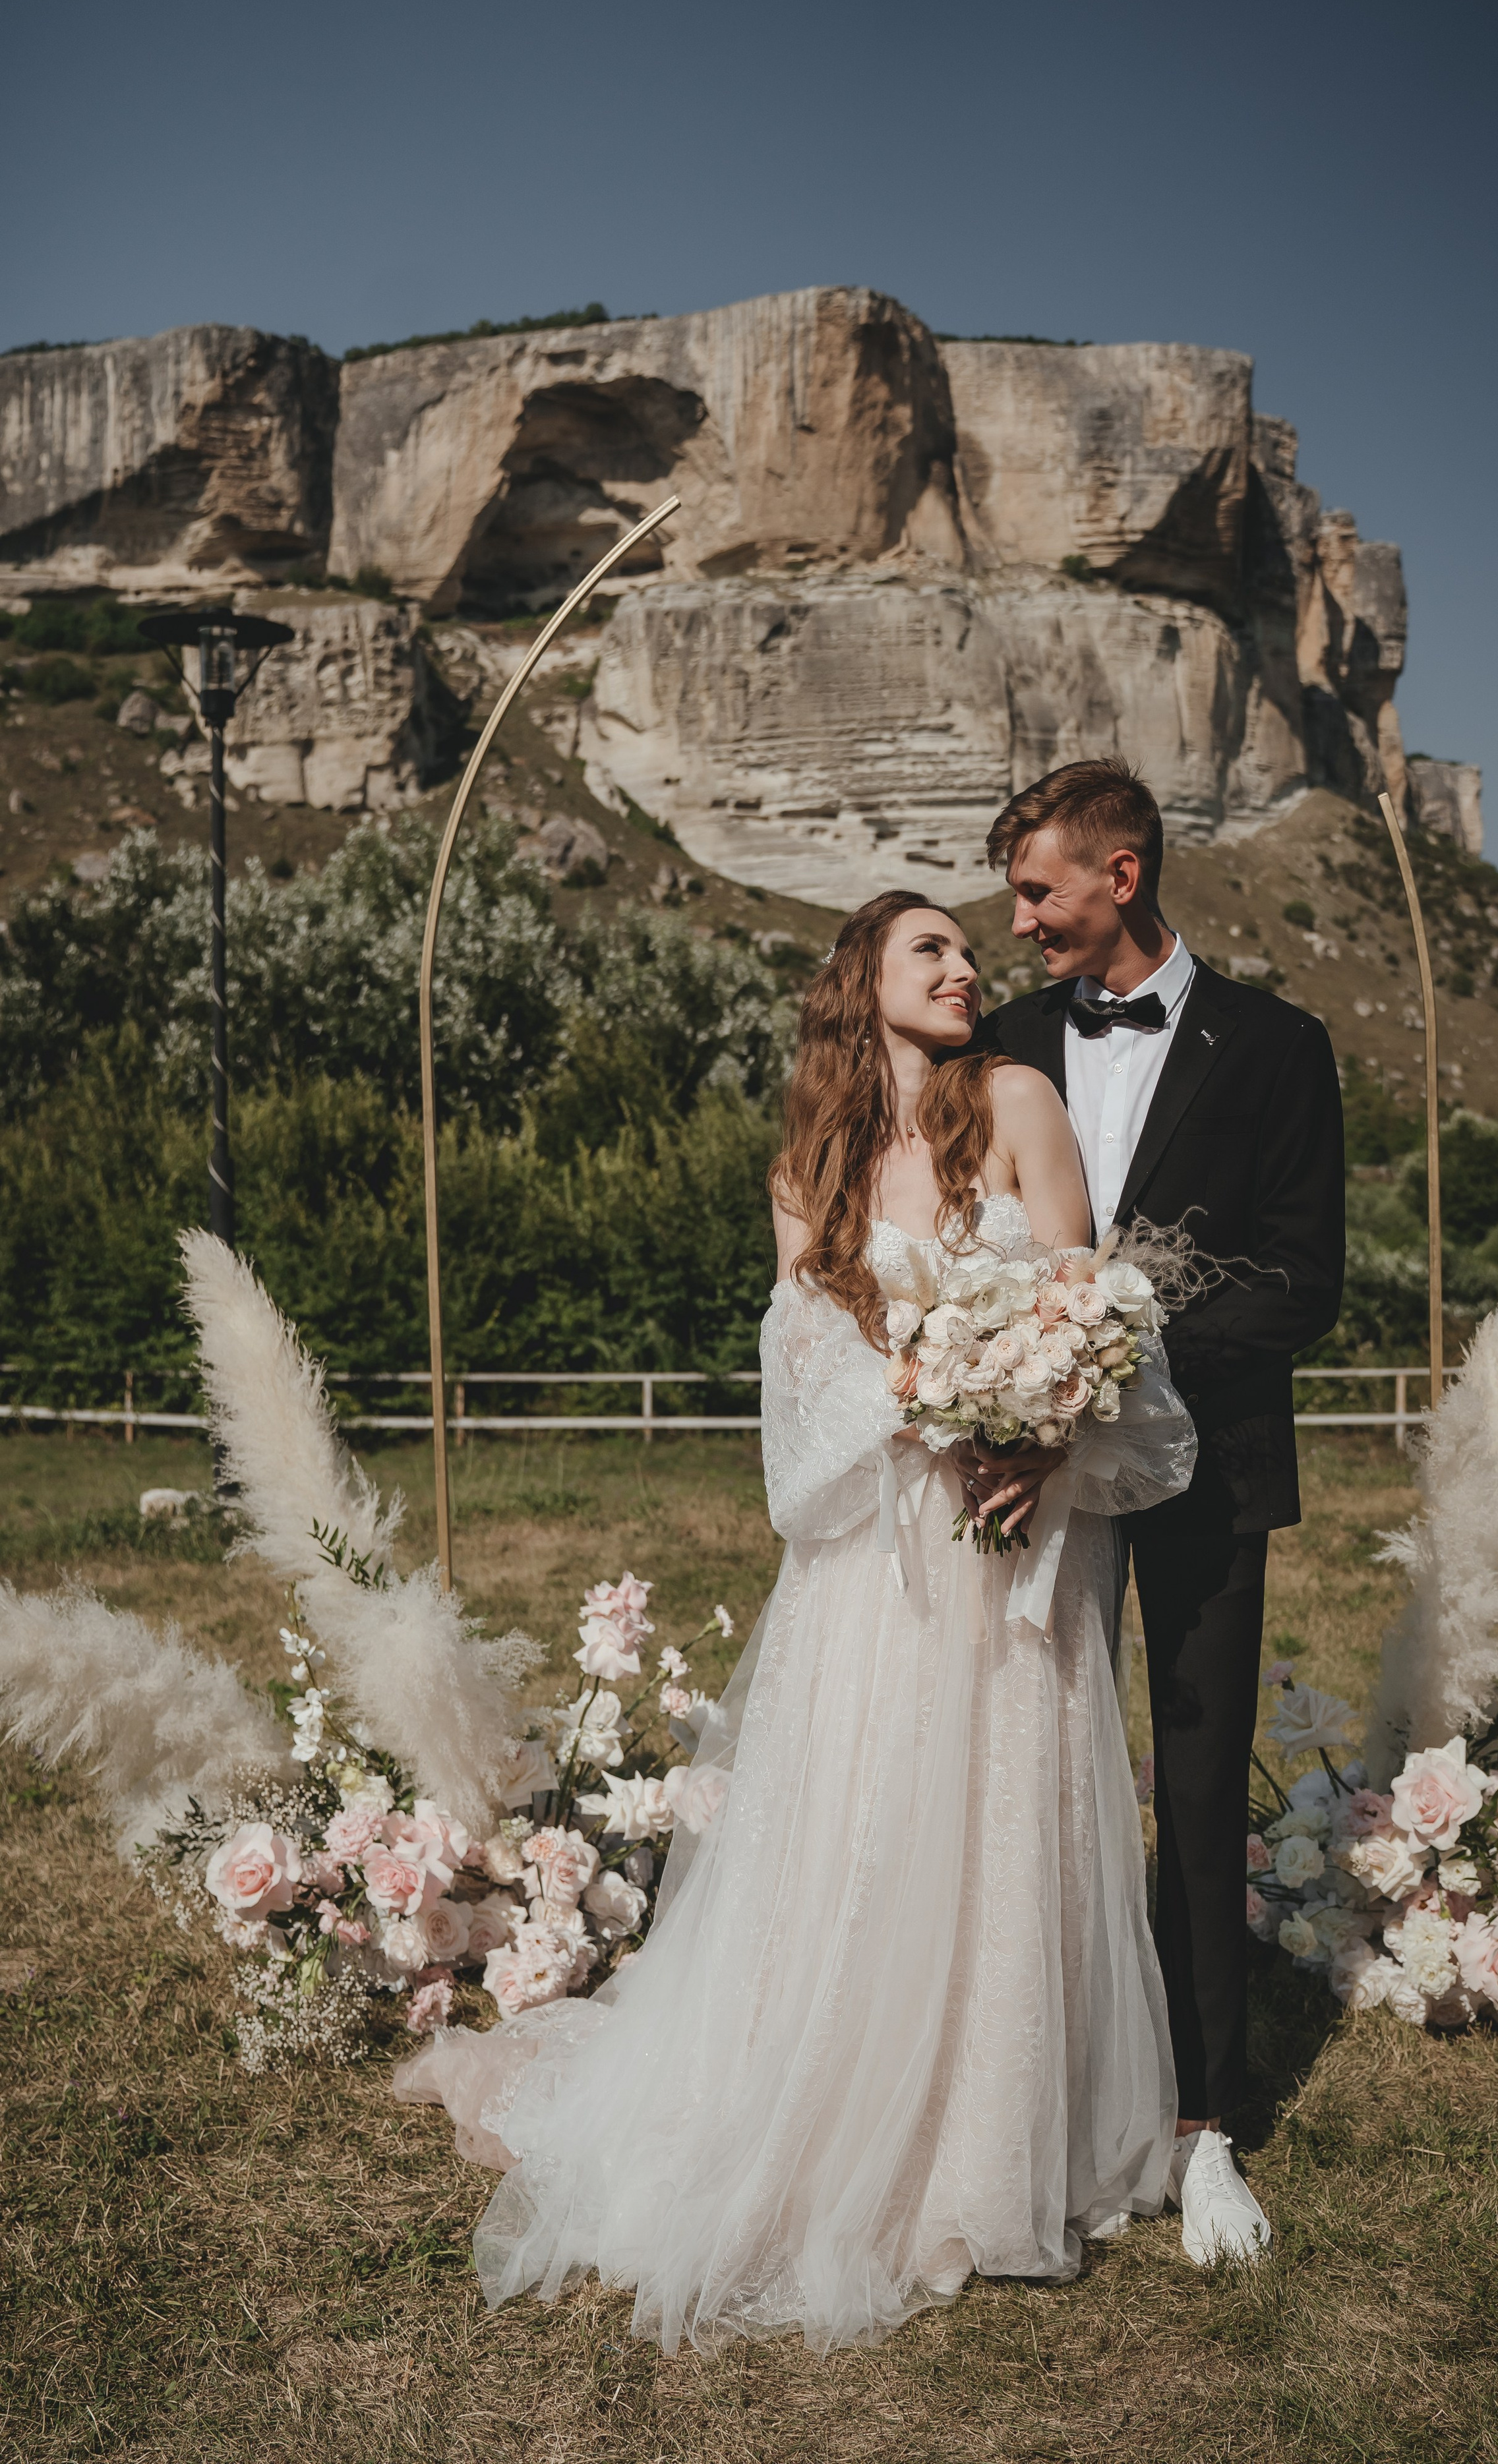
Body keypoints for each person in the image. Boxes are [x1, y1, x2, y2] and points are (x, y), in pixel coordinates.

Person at [396, 889, 1197, 2351]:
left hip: (1017, 1535)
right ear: (860, 983)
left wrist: (1031, 1434)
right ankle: (830, 2109)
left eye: (969, 949)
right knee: (871, 1821)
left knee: (1008, 1820)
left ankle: (990, 2148)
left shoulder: (1018, 1100)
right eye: (931, 951)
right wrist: (911, 1393)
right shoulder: (807, 1166)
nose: (966, 967)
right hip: (873, 1558)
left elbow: (1089, 1311)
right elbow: (797, 1389)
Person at [965, 757, 1346, 2265]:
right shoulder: (995, 1043)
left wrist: (1104, 1350)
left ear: (1122, 877)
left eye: (1038, 891)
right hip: (1021, 1475)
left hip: (1204, 1470)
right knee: (1019, 1786)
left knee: (1191, 1796)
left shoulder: (1278, 1047)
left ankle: (1204, 2127)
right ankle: (1025, 2093)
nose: (1017, 922)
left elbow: (1299, 1284)